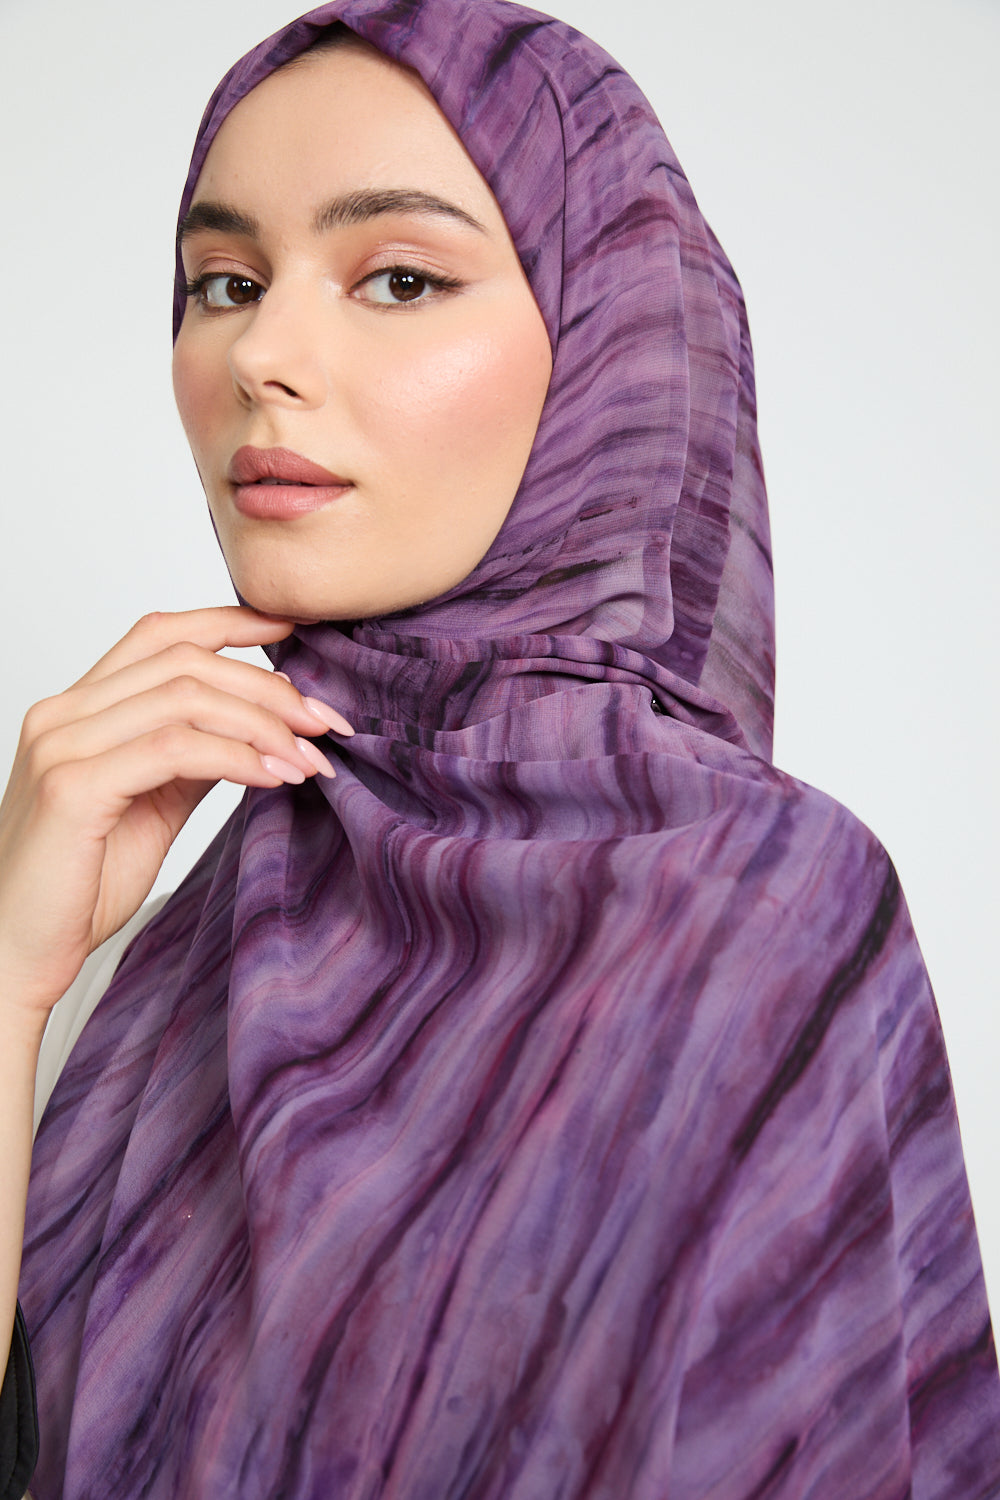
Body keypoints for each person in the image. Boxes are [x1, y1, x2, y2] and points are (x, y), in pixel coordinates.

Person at [1, 0, 998, 1495]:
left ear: (613, 346)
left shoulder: (757, 910)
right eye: (225, 283)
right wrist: (8, 977)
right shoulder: (171, 950)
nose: (264, 353)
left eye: (400, 278)